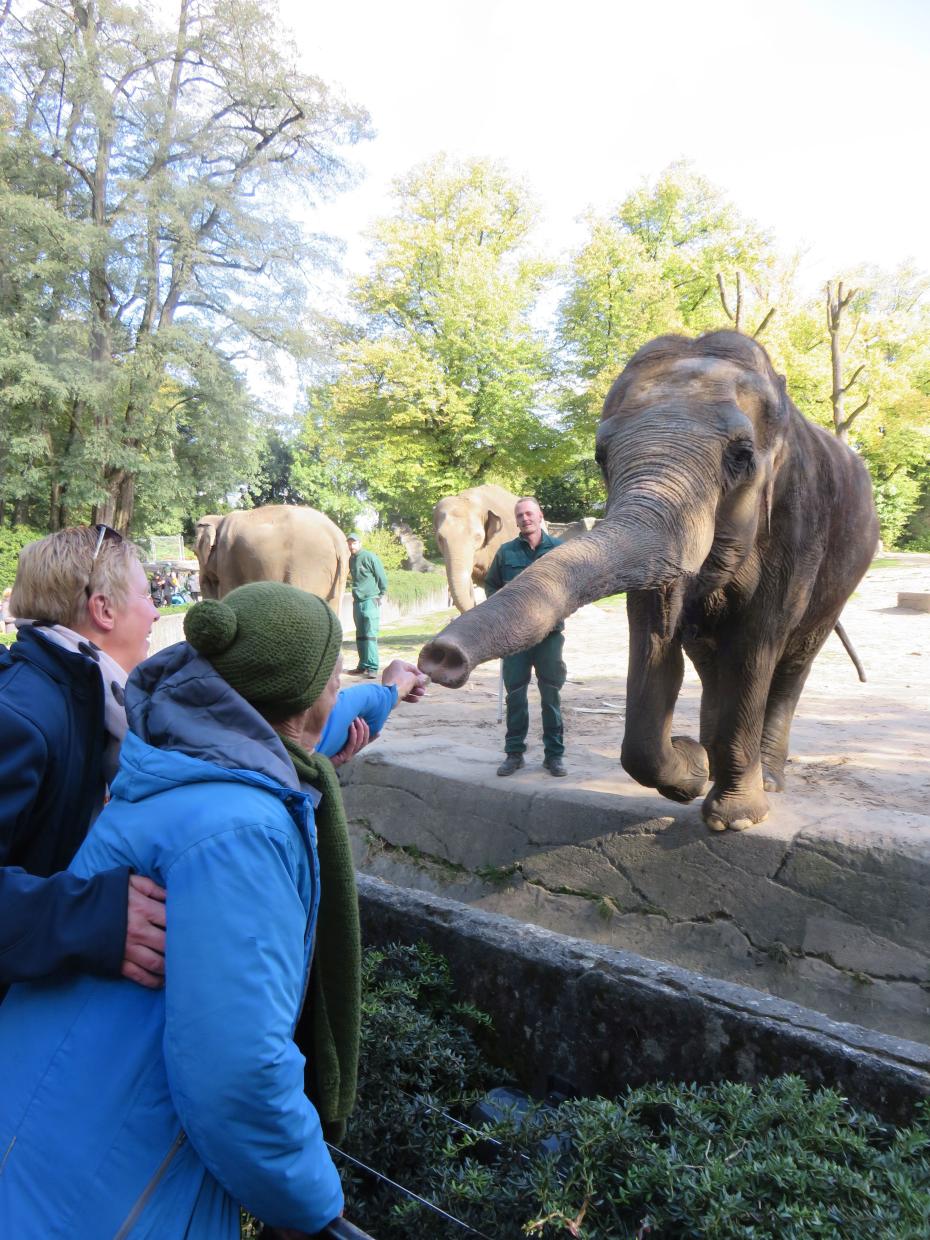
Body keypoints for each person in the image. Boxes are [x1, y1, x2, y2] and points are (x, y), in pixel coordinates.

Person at [0, 582, 428, 1237]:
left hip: (44, 1141)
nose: (338, 693)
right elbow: (237, 1076)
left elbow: (331, 717)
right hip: (106, 1202)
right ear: (300, 697)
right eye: (334, 677)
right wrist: (314, 1208)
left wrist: (392, 689)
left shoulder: (182, 749)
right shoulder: (242, 830)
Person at [0, 525, 167, 1001]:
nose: (156, 611)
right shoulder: (17, 715)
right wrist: (93, 916)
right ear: (104, 610)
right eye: (146, 595)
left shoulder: (85, 700)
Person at [484, 497, 568, 777]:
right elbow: (492, 584)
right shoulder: (506, 553)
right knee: (516, 695)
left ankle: (554, 756)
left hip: (549, 636)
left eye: (529, 513)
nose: (525, 519)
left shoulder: (558, 549)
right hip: (514, 638)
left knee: (550, 696)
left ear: (540, 515)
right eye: (520, 515)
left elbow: (573, 584)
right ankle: (514, 753)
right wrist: (502, 610)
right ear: (516, 520)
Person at [345, 532, 387, 679]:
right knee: (360, 634)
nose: (351, 546)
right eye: (349, 543)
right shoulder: (351, 559)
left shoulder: (369, 557)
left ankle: (373, 667)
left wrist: (380, 594)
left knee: (370, 635)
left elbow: (381, 576)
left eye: (354, 543)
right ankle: (362, 665)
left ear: (360, 543)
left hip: (370, 599)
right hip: (357, 601)